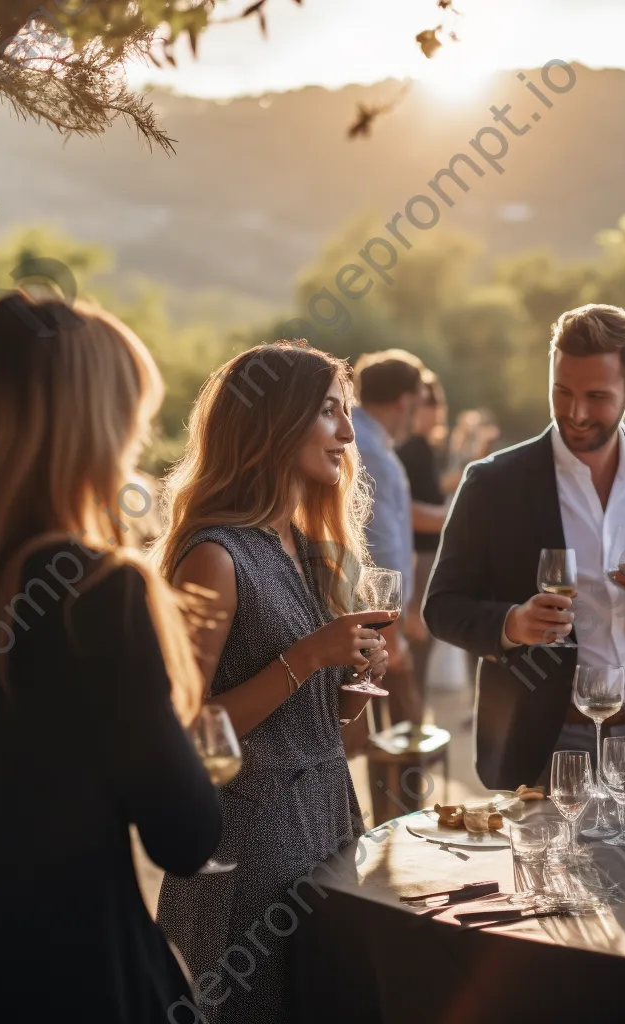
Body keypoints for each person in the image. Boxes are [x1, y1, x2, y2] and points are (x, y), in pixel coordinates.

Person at [0, 293, 222, 1022]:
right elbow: (183, 835)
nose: (135, 448)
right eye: (132, 423)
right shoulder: (95, 591)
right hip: (70, 978)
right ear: (87, 431)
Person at [151, 341, 390, 1024]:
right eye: (327, 414)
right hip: (246, 852)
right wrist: (308, 658)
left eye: (346, 414)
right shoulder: (214, 557)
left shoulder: (314, 549)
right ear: (271, 424)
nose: (348, 434)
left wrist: (353, 681)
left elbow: (337, 732)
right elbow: (183, 734)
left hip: (330, 825)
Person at [423, 303, 625, 788]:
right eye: (562, 392)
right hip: (546, 743)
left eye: (596, 396)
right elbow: (441, 607)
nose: (575, 412)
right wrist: (514, 624)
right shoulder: (492, 483)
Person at [352, 348, 427, 727]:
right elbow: (382, 550)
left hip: (371, 624)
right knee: (393, 745)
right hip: (374, 630)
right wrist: (393, 637)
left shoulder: (367, 439)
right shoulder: (372, 451)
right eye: (420, 399)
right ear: (405, 400)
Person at [396, 369, 450, 698]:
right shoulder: (412, 450)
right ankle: (411, 730)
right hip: (418, 558)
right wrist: (460, 518)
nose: (432, 408)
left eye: (434, 401)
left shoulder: (423, 449)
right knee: (415, 649)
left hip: (427, 556)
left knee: (422, 649)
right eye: (426, 401)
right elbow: (408, 513)